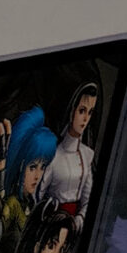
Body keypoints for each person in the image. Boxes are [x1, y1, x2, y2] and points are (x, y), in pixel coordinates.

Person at [0, 107, 57, 253]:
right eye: (32, 167)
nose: (37, 176)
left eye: (42, 167)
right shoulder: (11, 204)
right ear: (21, 165)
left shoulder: (33, 206)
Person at [37, 80, 99, 215]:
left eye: (90, 112)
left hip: (75, 222)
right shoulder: (54, 155)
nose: (85, 119)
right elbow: (39, 196)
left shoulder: (87, 154)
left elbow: (87, 198)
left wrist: (80, 218)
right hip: (53, 219)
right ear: (72, 111)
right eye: (82, 111)